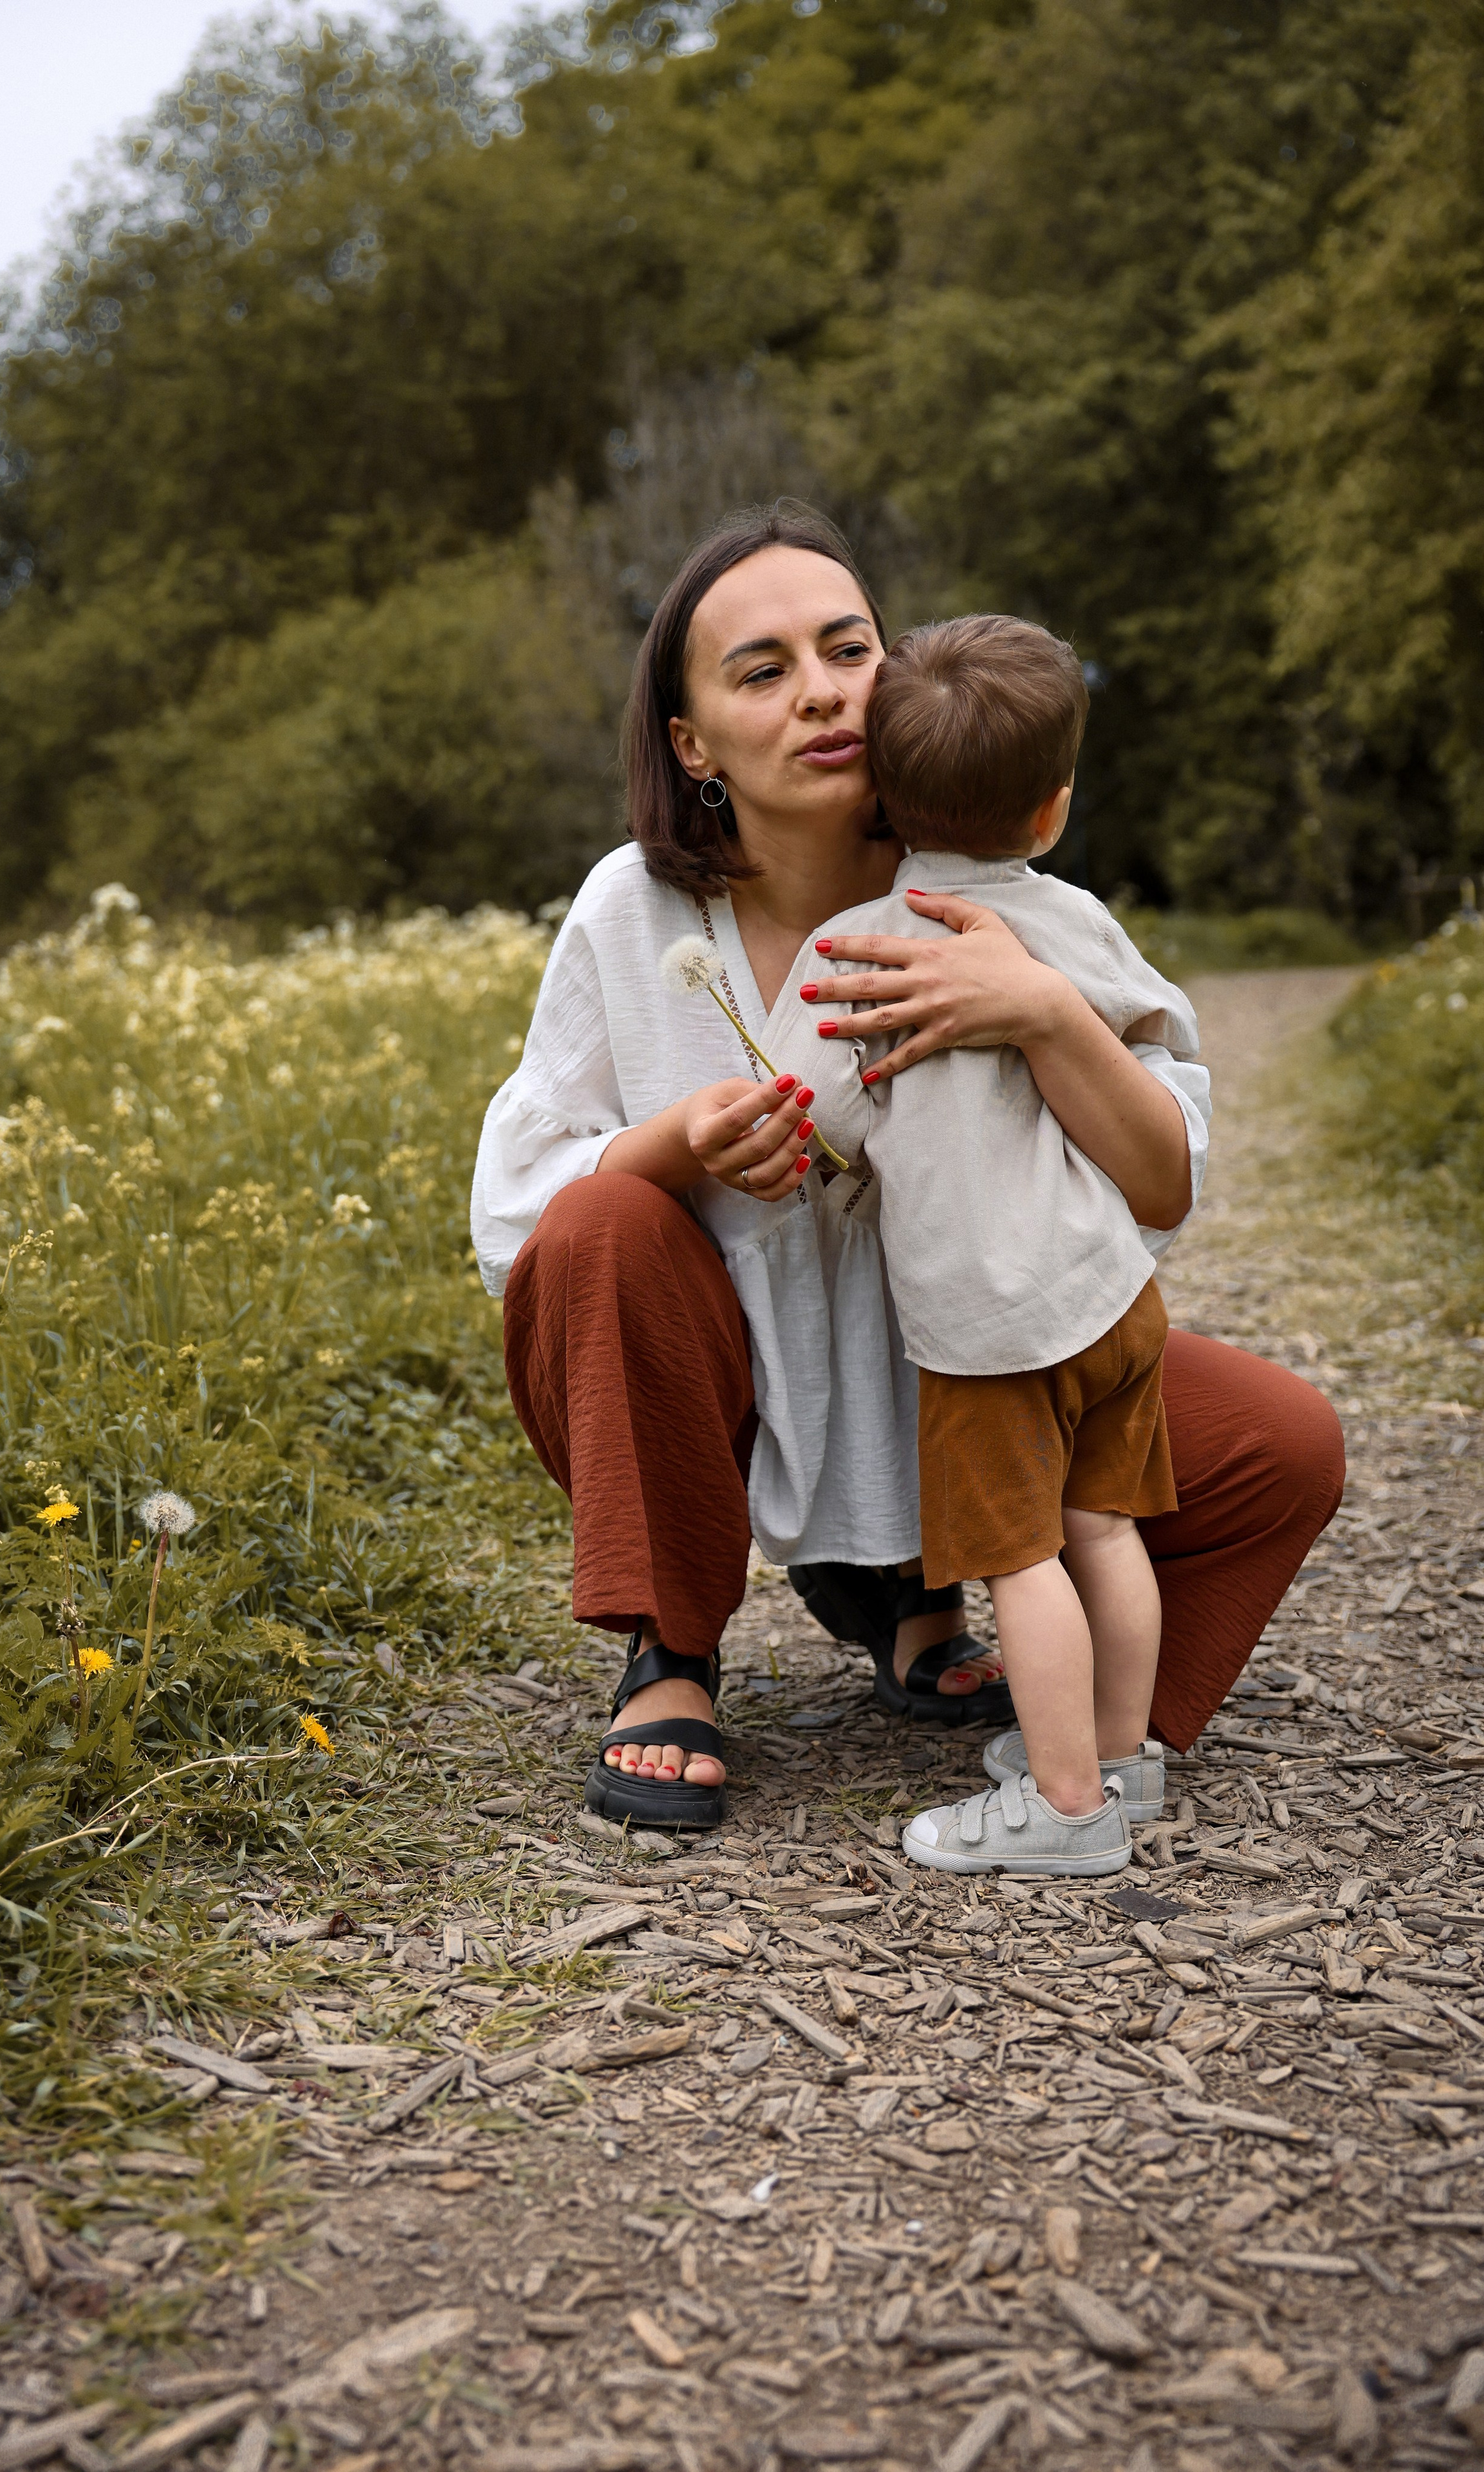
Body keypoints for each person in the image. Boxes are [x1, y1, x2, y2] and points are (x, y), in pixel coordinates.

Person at [470, 501, 1344, 1833]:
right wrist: (676, 1146)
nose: (820, 692)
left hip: (966, 1369)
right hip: (732, 1370)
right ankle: (670, 1648)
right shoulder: (631, 909)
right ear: (691, 742)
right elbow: (515, 1214)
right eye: (762, 670)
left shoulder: (987, 888)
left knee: (1281, 1448)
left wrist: (1041, 1012)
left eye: (846, 647)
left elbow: (1162, 1184)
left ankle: (1057, 1720)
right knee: (600, 1227)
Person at [763, 614, 1196, 1873]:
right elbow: (1153, 1038)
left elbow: (814, 1119)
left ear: (884, 802)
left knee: (1018, 1562)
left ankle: (1063, 1809)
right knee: (1101, 1531)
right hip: (1112, 1298)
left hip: (991, 1328)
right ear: (1050, 808)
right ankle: (1121, 1763)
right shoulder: (1074, 924)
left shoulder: (854, 950)